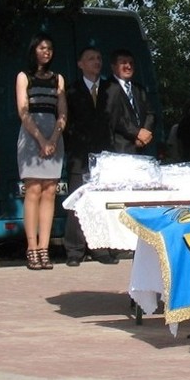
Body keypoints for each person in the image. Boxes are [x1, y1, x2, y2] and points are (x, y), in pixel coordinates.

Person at [15, 33, 67, 270]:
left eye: (50, 48)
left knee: (50, 191)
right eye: (42, 47)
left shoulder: (58, 79)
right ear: (33, 49)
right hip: (31, 136)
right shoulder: (24, 77)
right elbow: (23, 112)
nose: (46, 52)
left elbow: (62, 112)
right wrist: (41, 139)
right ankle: (32, 248)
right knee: (33, 189)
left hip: (54, 136)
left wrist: (54, 137)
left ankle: (45, 249)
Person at [63, 46, 115, 266]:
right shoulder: (71, 91)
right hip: (79, 155)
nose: (96, 61)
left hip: (104, 156)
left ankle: (100, 248)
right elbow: (66, 123)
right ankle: (75, 250)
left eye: (99, 58)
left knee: (101, 202)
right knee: (78, 202)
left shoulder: (110, 89)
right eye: (91, 58)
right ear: (80, 64)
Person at [105, 48, 155, 154]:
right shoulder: (107, 88)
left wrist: (144, 134)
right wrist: (137, 133)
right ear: (113, 66)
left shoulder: (139, 89)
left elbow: (150, 113)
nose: (128, 66)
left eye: (131, 63)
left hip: (142, 147)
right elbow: (114, 116)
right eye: (123, 63)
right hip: (120, 148)